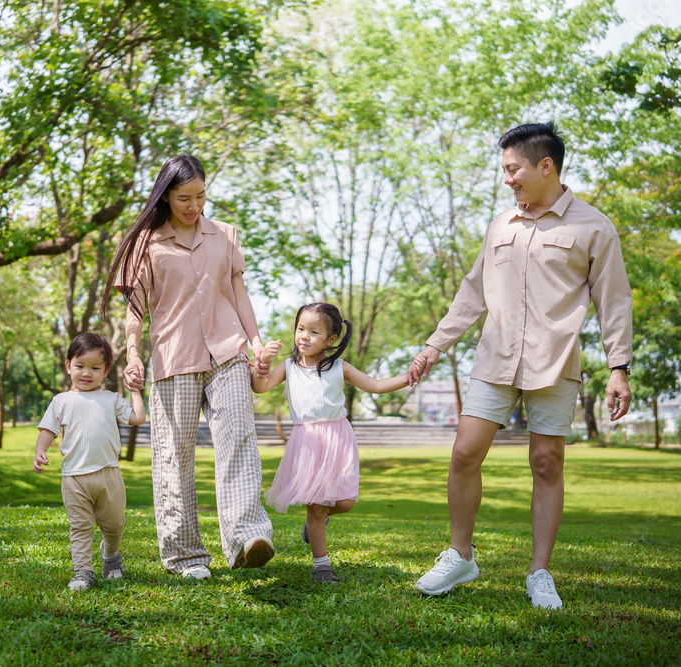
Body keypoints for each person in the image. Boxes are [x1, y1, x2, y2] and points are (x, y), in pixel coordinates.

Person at [406, 122, 633, 609]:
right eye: (505, 170)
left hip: (556, 361)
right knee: (465, 451)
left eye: (514, 169)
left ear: (545, 166)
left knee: (546, 462)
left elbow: (614, 301)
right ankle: (460, 555)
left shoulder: (593, 227)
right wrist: (434, 346)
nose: (507, 179)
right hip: (495, 356)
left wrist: (619, 366)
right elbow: (472, 293)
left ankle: (540, 573)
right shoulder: (500, 226)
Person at [101, 154, 275, 580]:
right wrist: (134, 353)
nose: (194, 205)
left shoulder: (224, 235)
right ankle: (185, 556)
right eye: (184, 197)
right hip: (174, 356)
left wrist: (254, 344)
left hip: (227, 349)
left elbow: (238, 293)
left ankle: (246, 536)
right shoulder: (145, 243)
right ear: (165, 196)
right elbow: (136, 309)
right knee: (173, 456)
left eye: (201, 195)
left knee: (238, 435)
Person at [253, 303, 409, 583]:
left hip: (338, 439)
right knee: (316, 506)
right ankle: (321, 565)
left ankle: (319, 519)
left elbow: (375, 384)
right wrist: (262, 362)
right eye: (301, 329)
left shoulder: (340, 367)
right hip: (307, 441)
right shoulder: (288, 367)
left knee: (345, 502)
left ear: (331, 340)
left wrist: (408, 378)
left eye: (314, 331)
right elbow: (260, 386)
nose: (304, 336)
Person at [33, 333, 146, 592]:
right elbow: (48, 429)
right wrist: (40, 450)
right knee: (81, 527)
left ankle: (111, 556)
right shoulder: (61, 401)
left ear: (105, 371)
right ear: (68, 365)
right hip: (74, 478)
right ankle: (83, 571)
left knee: (114, 524)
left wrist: (135, 391)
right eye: (80, 366)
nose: (87, 373)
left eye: (95, 368)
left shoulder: (110, 399)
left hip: (109, 474)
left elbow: (138, 417)